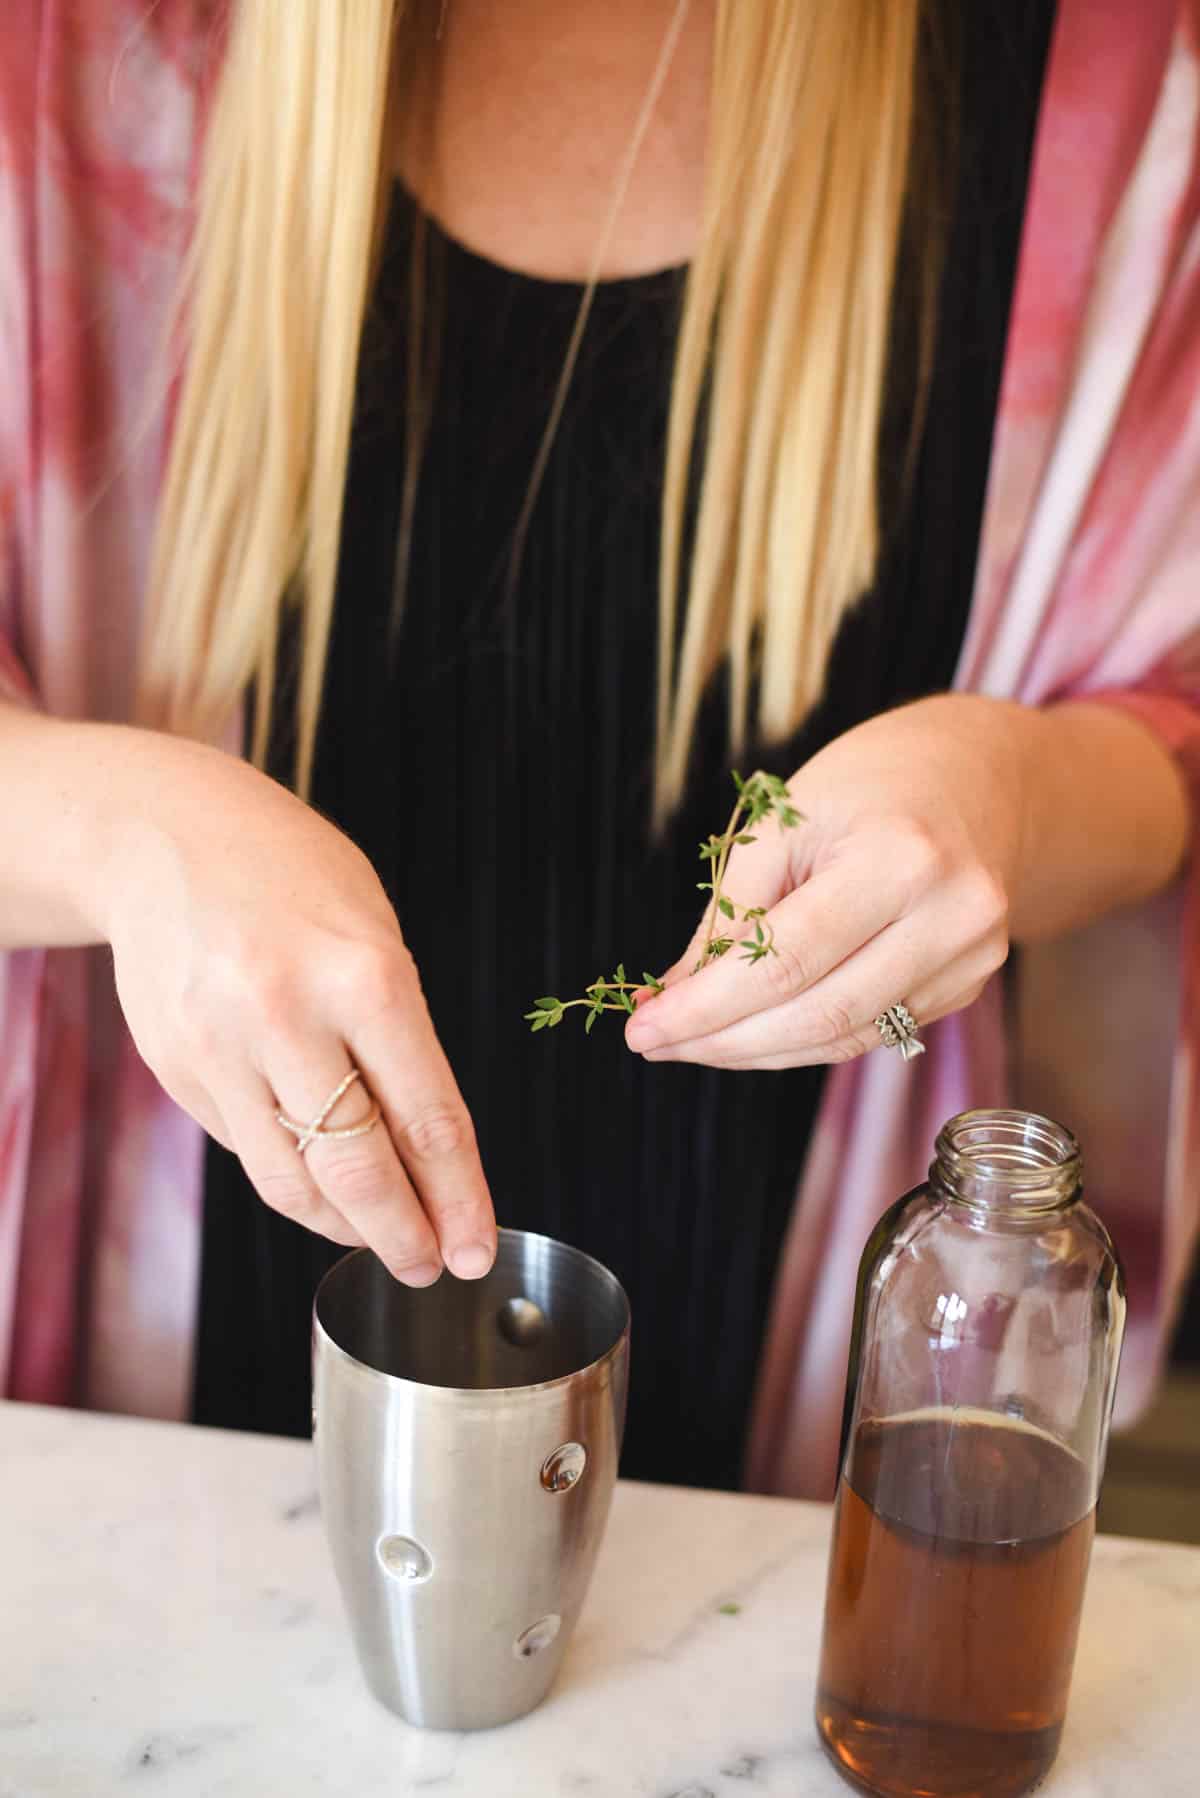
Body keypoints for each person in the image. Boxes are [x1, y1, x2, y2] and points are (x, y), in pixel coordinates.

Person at [2, 0, 1198, 1499]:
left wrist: (1010, 793)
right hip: (152, 1435)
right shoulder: (59, 44)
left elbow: (1174, 727)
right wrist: (123, 833)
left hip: (770, 1428)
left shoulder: (1105, 77)